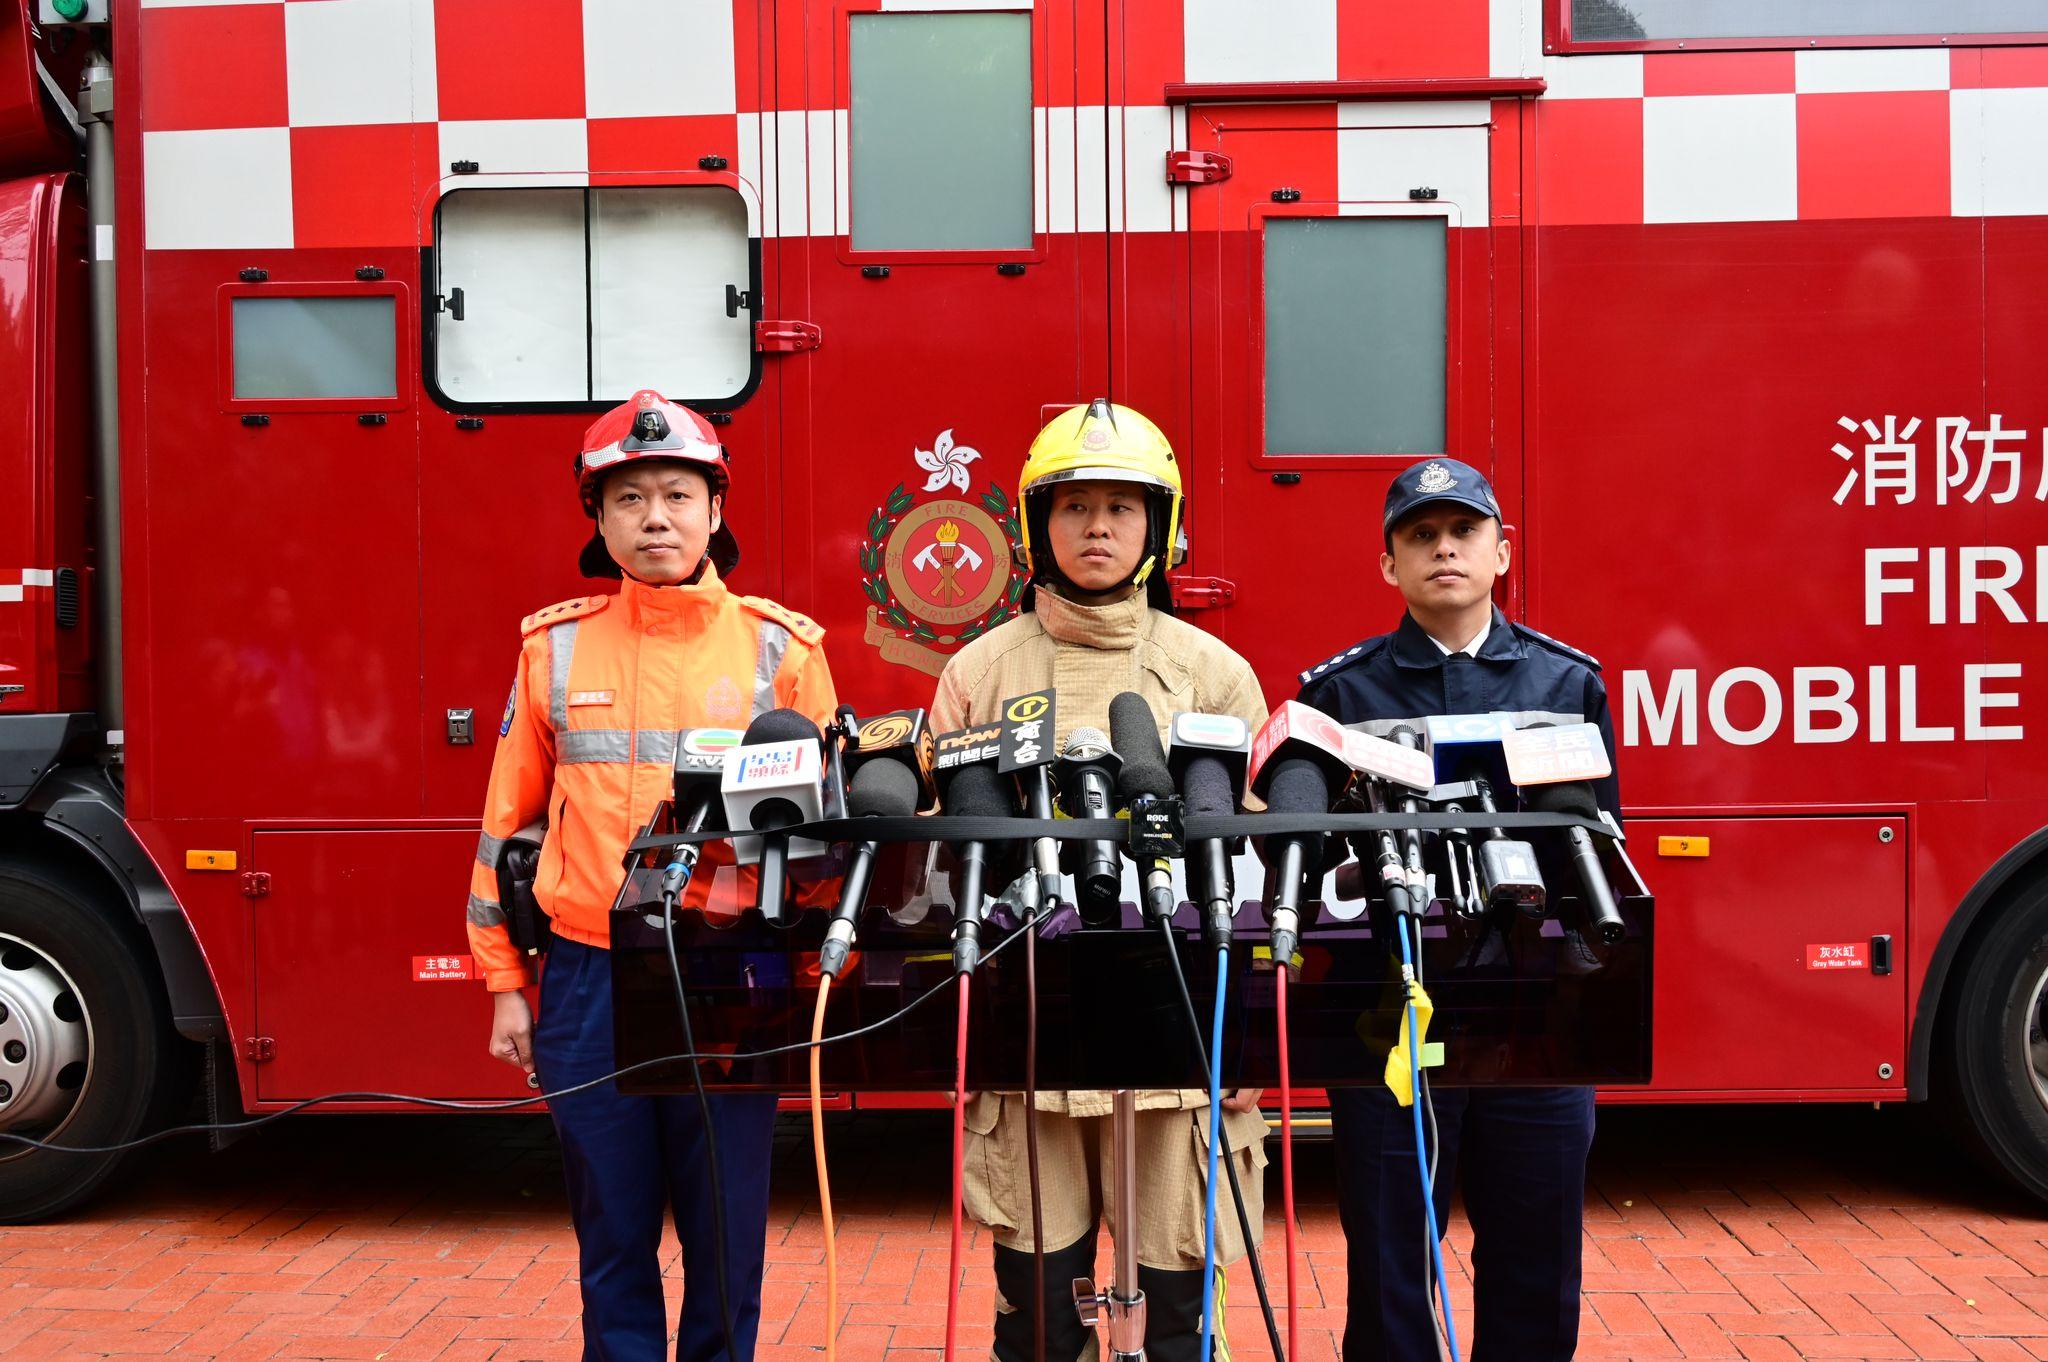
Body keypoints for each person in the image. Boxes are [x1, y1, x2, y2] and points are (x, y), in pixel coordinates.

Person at [465, 390, 838, 1362]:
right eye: (629, 498)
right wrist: (505, 982)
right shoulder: (551, 648)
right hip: (588, 978)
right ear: (598, 520)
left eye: (677, 494)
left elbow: (822, 845)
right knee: (611, 1238)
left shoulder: (783, 651)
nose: (656, 518)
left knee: (726, 1238)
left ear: (716, 510)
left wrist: (799, 974)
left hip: (731, 980)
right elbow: (505, 825)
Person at [930, 399, 1269, 1362]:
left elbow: (1247, 867)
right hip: (1032, 1032)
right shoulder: (977, 673)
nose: (1098, 528)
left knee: (1177, 1313)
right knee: (1039, 1315)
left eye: (1123, 507)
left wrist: (1243, 1031)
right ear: (1037, 525)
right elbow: (950, 865)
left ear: (1159, 527)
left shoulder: (1213, 672)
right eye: (1075, 507)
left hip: (1180, 1040)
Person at [1293, 457, 1620, 1362]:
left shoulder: (1569, 685)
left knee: (1537, 1261)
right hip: (1391, 1018)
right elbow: (1315, 871)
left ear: (1502, 552)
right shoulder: (1339, 694)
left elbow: (1602, 855)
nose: (1445, 549)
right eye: (1422, 535)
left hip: (1536, 1019)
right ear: (1388, 564)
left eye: (1464, 531)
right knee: (1391, 1263)